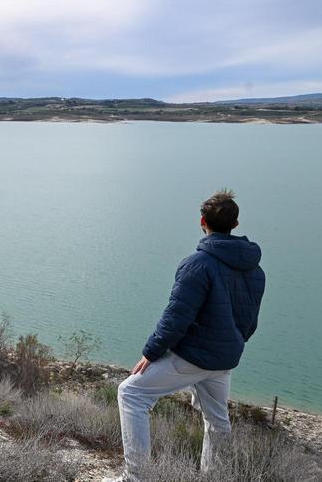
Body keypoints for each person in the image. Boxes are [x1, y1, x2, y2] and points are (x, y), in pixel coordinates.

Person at [104, 190, 265, 482]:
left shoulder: (197, 265)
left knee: (131, 393)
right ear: (236, 224)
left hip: (194, 357)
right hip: (225, 359)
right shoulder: (255, 271)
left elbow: (176, 318)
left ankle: (135, 477)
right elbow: (249, 321)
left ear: (202, 221)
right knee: (217, 422)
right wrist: (234, 343)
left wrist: (151, 353)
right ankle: (213, 477)